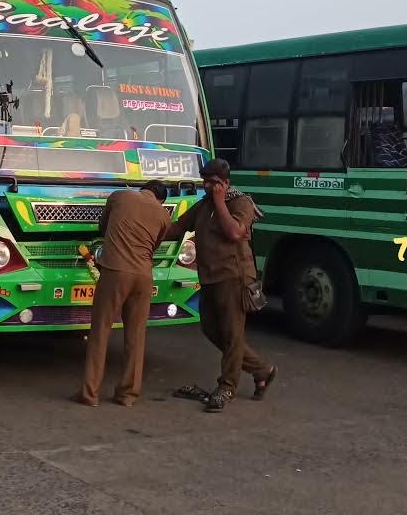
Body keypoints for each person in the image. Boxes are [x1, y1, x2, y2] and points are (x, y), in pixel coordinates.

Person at [166, 159, 277, 413]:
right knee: (211, 329)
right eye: (205, 181)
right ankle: (262, 369)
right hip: (209, 277)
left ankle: (227, 386)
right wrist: (145, 225)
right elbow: (177, 228)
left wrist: (219, 202)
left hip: (234, 277)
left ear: (226, 183)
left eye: (214, 183)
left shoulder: (241, 203)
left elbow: (235, 232)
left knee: (232, 334)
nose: (208, 187)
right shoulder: (203, 205)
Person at [73, 180, 171, 408]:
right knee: (136, 337)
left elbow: (103, 227)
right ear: (160, 199)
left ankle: (90, 393)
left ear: (144, 189)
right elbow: (154, 245)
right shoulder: (163, 215)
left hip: (115, 272)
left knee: (101, 330)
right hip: (144, 276)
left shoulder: (120, 197)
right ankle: (127, 394)